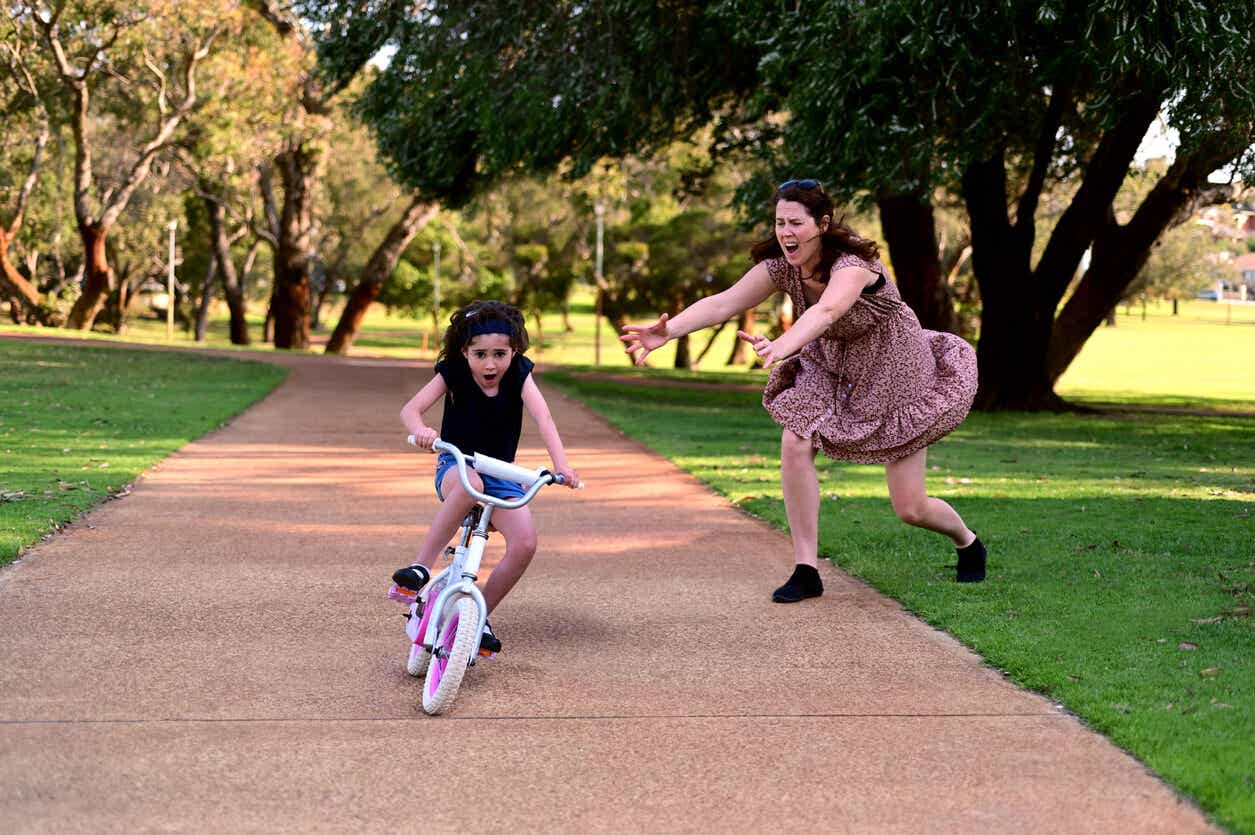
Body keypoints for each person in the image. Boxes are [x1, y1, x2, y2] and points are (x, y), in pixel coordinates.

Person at [620, 179, 985, 602]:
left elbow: (828, 310)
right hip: (828, 363)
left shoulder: (854, 265)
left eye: (795, 223)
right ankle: (806, 568)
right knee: (795, 439)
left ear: (822, 224)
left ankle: (967, 542)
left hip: (893, 367)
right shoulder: (782, 267)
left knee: (911, 507)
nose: (785, 232)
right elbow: (724, 302)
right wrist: (668, 333)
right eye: (779, 222)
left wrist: (781, 346)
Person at [392, 300, 579, 652]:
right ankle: (420, 567)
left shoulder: (520, 373)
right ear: (465, 351)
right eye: (480, 354)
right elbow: (411, 409)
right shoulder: (453, 372)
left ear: (514, 351)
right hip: (457, 465)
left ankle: (476, 617)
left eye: (500, 353)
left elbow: (544, 418)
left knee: (525, 542)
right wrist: (421, 431)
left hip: (502, 474)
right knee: (470, 485)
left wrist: (562, 466)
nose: (490, 363)